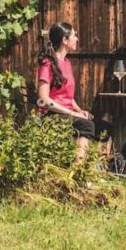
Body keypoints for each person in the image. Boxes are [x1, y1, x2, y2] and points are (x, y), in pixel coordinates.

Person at [36, 21, 95, 160]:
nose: (77, 39)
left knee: (102, 125)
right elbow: (44, 99)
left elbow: (67, 96)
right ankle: (78, 172)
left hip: (67, 113)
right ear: (65, 40)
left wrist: (79, 111)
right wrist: (72, 113)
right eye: (74, 35)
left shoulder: (67, 63)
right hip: (51, 115)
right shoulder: (47, 63)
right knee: (87, 126)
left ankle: (93, 167)